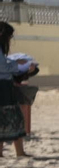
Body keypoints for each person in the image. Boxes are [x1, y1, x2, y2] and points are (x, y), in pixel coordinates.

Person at [0, 21, 28, 157]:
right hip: (3, 87)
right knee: (14, 118)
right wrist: (18, 65)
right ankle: (20, 152)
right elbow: (3, 67)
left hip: (5, 84)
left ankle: (16, 152)